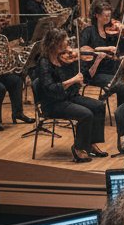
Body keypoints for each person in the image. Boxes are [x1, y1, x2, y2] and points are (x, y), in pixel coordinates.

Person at [35, 28, 107, 162]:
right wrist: (72, 80)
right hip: (53, 103)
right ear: (54, 44)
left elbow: (85, 78)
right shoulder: (44, 62)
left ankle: (90, 144)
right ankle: (78, 148)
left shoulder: (66, 59)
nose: (68, 46)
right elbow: (50, 88)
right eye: (64, 43)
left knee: (99, 106)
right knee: (86, 114)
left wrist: (96, 61)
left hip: (69, 96)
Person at [80, 0, 121, 93]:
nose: (108, 18)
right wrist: (107, 48)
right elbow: (83, 50)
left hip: (111, 69)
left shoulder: (112, 31)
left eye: (109, 16)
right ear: (97, 16)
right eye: (106, 16)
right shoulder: (89, 31)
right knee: (120, 85)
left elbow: (119, 50)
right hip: (95, 72)